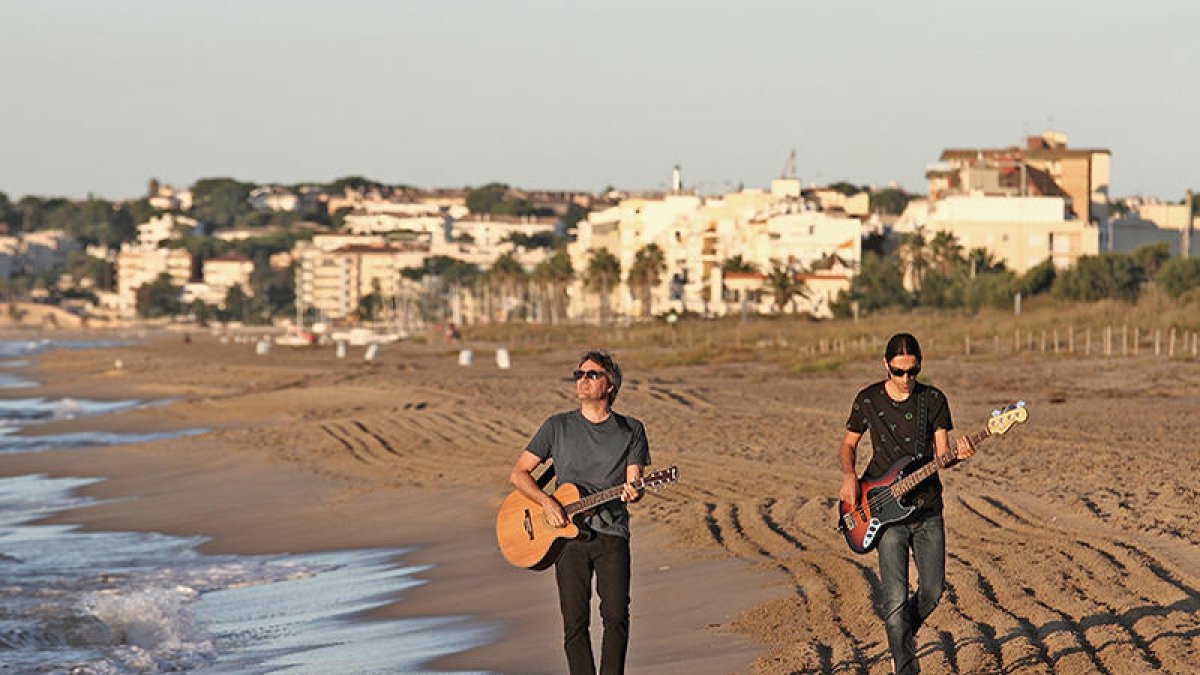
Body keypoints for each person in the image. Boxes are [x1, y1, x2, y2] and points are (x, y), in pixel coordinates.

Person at [837, 333, 974, 675]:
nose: (906, 380)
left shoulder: (934, 400)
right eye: (899, 372)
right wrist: (849, 476)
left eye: (912, 372)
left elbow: (943, 454)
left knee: (932, 590)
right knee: (895, 600)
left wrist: (958, 454)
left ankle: (899, 637)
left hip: (927, 507)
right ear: (886, 366)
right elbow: (848, 445)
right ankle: (906, 667)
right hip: (883, 511)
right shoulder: (867, 400)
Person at [509, 350, 650, 675]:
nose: (582, 380)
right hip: (566, 539)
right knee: (575, 623)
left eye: (591, 375)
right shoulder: (557, 426)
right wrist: (546, 502)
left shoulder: (631, 430)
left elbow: (634, 483)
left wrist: (636, 491)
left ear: (610, 385)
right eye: (579, 375)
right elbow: (518, 474)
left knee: (616, 616)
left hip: (612, 534)